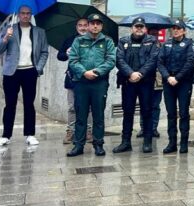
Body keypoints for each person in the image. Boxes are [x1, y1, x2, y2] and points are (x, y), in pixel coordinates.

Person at [0, 5, 49, 148]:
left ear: (31, 15)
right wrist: (5, 38)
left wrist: (38, 68)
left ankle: (30, 134)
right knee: (10, 104)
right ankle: (5, 135)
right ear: (18, 15)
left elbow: (44, 52)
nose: (25, 16)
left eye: (28, 13)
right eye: (23, 13)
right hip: (12, 72)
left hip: (30, 71)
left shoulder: (39, 32)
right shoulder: (9, 29)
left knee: (29, 104)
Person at [66, 13, 116, 157]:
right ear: (87, 25)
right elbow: (73, 60)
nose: (95, 26)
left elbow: (111, 60)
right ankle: (78, 145)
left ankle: (98, 144)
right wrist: (84, 72)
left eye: (98, 23)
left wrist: (96, 71)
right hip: (81, 82)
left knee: (98, 115)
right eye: (92, 23)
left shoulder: (107, 41)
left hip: (99, 83)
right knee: (80, 115)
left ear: (101, 26)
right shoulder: (78, 41)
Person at [114, 17, 160, 154]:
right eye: (136, 26)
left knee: (147, 111)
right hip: (128, 82)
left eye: (141, 27)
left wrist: (139, 73)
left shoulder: (152, 41)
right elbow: (119, 60)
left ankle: (147, 141)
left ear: (145, 28)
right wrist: (130, 74)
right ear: (132, 28)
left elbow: (153, 60)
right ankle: (125, 142)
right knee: (128, 112)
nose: (139, 29)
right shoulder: (123, 41)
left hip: (146, 82)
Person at [158, 19, 194, 154]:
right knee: (171, 113)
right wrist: (168, 77)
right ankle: (172, 142)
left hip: (183, 82)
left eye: (178, 28)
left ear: (184, 30)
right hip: (169, 82)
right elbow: (160, 62)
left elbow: (190, 62)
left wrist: (177, 78)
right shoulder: (166, 44)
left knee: (184, 113)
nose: (175, 30)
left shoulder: (189, 44)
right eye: (173, 28)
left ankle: (184, 143)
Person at [57, 17, 89, 144]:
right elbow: (60, 56)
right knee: (72, 107)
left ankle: (89, 131)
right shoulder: (70, 40)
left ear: (89, 26)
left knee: (90, 107)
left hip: (88, 79)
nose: (83, 27)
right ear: (76, 27)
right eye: (80, 25)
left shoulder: (94, 40)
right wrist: (66, 53)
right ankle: (70, 131)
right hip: (72, 78)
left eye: (85, 25)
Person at [138, 27, 163, 139]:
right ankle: (143, 128)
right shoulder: (142, 46)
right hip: (144, 79)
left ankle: (153, 128)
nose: (155, 36)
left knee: (155, 106)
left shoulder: (162, 47)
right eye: (152, 33)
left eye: (156, 34)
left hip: (158, 80)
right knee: (144, 105)